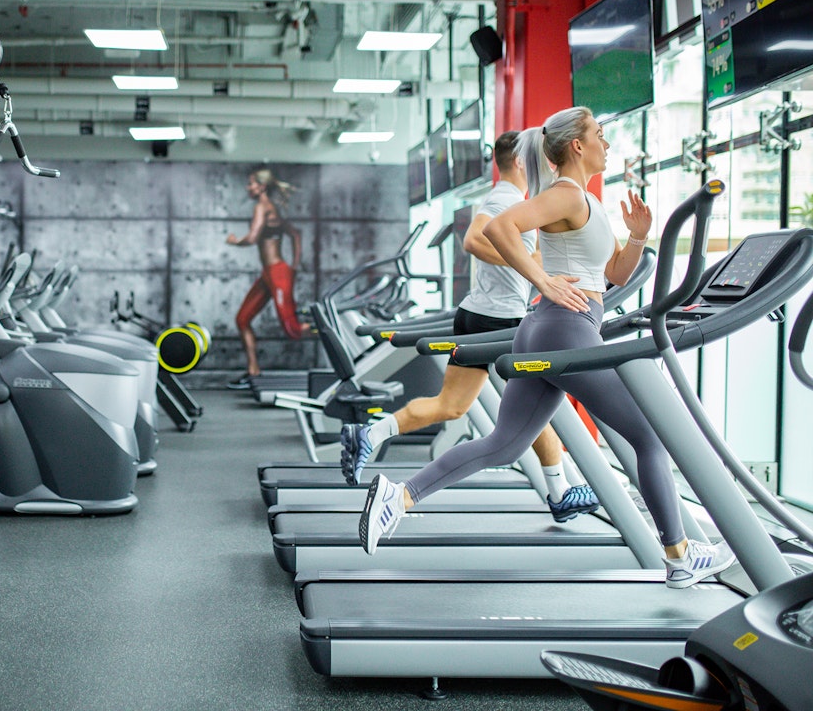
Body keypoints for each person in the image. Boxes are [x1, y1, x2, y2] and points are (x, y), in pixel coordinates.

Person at [359, 106, 736, 590]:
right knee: (649, 436)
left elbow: (615, 274)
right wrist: (542, 279)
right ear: (578, 145)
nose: (606, 143)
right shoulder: (566, 195)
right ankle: (680, 556)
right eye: (600, 134)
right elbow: (498, 228)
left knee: (505, 444)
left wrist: (639, 235)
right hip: (565, 329)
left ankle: (399, 498)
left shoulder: (586, 201)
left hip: (547, 328)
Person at [340, 131, 599, 523]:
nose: (543, 164)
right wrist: (531, 269)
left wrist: (540, 267)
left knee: (454, 405)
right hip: (500, 319)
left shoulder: (511, 199)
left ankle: (369, 435)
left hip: (482, 313)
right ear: (518, 161)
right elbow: (474, 241)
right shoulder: (505, 198)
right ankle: (560, 492)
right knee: (533, 410)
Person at [225, 168, 308, 389]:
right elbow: (295, 234)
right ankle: (253, 371)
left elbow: (252, 238)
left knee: (293, 330)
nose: (248, 187)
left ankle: (335, 330)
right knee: (242, 319)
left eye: (251, 183)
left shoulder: (262, 207)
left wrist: (234, 241)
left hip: (278, 273)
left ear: (261, 187)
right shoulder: (272, 208)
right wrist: (295, 266)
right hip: (269, 274)